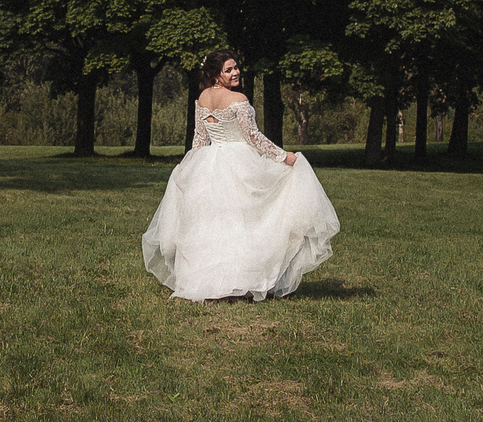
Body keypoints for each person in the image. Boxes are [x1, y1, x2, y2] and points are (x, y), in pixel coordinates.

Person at [141, 48, 340, 301]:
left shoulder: (202, 98)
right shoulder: (238, 100)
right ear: (215, 74)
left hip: (208, 162)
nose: (236, 73)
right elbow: (252, 137)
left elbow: (200, 139)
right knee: (242, 222)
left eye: (236, 67)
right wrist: (284, 157)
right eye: (228, 70)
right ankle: (238, 281)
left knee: (213, 224)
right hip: (238, 162)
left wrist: (190, 165)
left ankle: (207, 281)